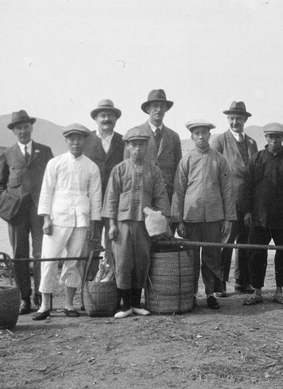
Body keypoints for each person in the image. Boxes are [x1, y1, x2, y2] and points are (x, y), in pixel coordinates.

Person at [32, 124, 102, 320]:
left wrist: (93, 225)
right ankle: (44, 306)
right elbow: (46, 191)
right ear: (66, 140)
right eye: (72, 138)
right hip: (57, 218)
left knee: (74, 262)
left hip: (81, 220)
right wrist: (46, 218)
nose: (75, 142)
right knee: (49, 259)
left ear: (84, 141)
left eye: (79, 138)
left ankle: (69, 304)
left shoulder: (91, 167)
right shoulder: (55, 163)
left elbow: (96, 198)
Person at [102, 127, 171, 319]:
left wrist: (160, 221)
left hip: (144, 226)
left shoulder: (154, 171)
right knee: (123, 262)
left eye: (141, 145)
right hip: (123, 224)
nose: (138, 149)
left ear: (147, 146)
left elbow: (161, 199)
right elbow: (111, 199)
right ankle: (125, 306)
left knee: (141, 262)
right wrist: (112, 225)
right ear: (128, 146)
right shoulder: (119, 169)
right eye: (134, 145)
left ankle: (136, 303)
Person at [0, 110, 54, 315]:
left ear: (31, 128)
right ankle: (24, 299)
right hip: (16, 214)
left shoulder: (45, 152)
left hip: (40, 212)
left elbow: (54, 180)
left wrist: (49, 210)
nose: (23, 131)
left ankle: (41, 296)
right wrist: (6, 204)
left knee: (40, 254)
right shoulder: (8, 154)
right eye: (18, 128)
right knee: (20, 255)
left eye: (26, 127)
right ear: (14, 131)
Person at [171, 119, 236, 310]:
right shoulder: (186, 160)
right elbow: (179, 191)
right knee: (191, 257)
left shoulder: (219, 159)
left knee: (212, 256)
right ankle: (191, 294)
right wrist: (178, 220)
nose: (201, 136)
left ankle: (210, 294)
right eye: (197, 133)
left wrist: (228, 218)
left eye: (204, 133)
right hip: (191, 217)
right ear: (192, 137)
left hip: (214, 217)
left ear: (209, 135)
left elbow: (227, 190)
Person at [241, 122, 283, 306]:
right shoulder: (256, 159)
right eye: (270, 137)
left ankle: (279, 291)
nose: (274, 140)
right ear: (266, 138)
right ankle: (257, 292)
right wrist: (246, 211)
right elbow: (247, 187)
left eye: (277, 137)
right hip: (258, 216)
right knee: (256, 253)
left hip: (282, 217)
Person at [211, 101, 258, 297]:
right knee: (226, 243)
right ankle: (220, 284)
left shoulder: (252, 143)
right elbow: (213, 174)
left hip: (247, 202)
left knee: (245, 242)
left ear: (245, 119)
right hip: (227, 201)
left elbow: (255, 173)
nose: (235, 121)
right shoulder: (220, 141)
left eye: (239, 118)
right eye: (231, 118)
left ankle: (242, 282)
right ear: (227, 119)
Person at [83, 99, 125, 277]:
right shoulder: (85, 140)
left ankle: (109, 285)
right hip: (91, 201)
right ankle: (90, 285)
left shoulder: (123, 141)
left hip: (114, 202)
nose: (107, 118)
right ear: (96, 119)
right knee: (91, 243)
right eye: (103, 115)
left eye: (111, 115)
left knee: (113, 243)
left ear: (116, 119)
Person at [126, 89, 182, 203]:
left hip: (166, 195)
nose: (159, 109)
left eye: (162, 106)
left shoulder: (173, 136)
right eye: (155, 106)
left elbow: (178, 171)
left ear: (166, 109)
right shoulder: (134, 133)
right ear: (148, 109)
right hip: (141, 194)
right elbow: (127, 169)